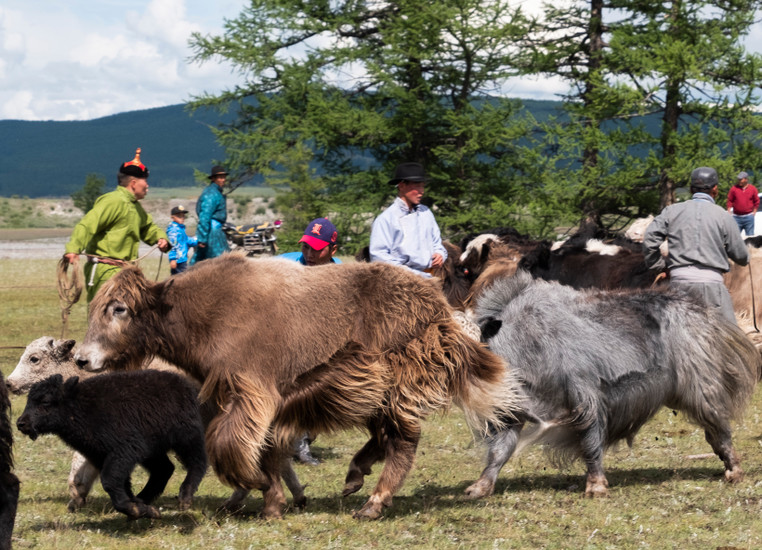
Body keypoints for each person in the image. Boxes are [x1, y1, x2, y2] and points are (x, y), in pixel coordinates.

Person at [643, 166, 749, 324]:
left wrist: (658, 265)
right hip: (713, 289)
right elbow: (741, 257)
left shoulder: (671, 211)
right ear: (715, 189)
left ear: (692, 189)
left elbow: (650, 237)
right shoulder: (723, 216)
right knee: (729, 340)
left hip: (678, 285)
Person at [64, 148, 170, 302]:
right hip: (106, 272)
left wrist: (161, 238)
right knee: (105, 320)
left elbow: (148, 228)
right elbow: (87, 224)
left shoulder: (136, 207)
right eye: (145, 181)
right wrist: (73, 249)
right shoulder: (112, 201)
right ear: (133, 183)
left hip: (127, 272)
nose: (147, 186)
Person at [279, 217, 342, 465]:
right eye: (306, 246)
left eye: (317, 248)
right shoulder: (285, 264)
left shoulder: (340, 277)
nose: (310, 253)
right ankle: (297, 444)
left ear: (333, 250)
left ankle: (301, 439)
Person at [369, 162, 447, 277]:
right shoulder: (386, 219)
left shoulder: (426, 213)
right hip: (400, 281)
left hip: (430, 276)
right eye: (416, 186)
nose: (422, 191)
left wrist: (440, 254)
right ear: (401, 186)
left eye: (422, 186)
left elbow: (437, 243)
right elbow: (379, 256)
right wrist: (412, 274)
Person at [192, 165, 229, 263]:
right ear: (213, 179)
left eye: (224, 177)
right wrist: (202, 237)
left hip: (213, 231)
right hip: (212, 232)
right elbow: (205, 216)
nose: (223, 180)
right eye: (220, 177)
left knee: (201, 263)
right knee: (221, 263)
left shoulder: (215, 192)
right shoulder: (211, 194)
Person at [166, 205, 197, 275]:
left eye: (183, 216)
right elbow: (172, 245)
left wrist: (197, 241)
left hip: (182, 258)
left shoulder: (180, 228)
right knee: (180, 279)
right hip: (178, 260)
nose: (182, 218)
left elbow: (187, 240)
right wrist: (173, 259)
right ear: (172, 217)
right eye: (179, 216)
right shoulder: (173, 230)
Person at [727, 171, 759, 236]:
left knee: (750, 238)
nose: (739, 181)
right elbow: (730, 200)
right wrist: (729, 211)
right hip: (736, 218)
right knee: (735, 237)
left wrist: (754, 212)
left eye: (741, 179)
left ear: (746, 179)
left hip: (749, 217)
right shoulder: (734, 189)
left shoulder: (752, 189)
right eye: (738, 179)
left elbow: (756, 201)